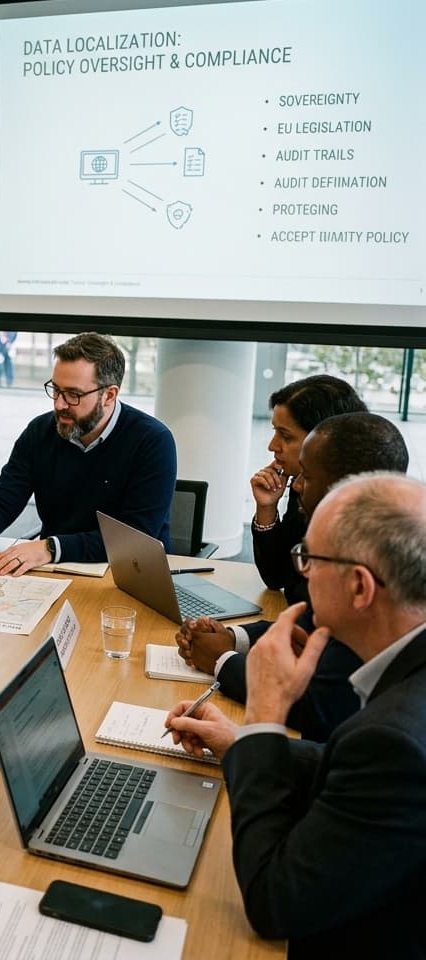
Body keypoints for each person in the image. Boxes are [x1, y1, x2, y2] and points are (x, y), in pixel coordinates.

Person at [165, 472, 426, 958]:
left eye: (309, 558)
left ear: (360, 586)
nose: (301, 573)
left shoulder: (395, 739)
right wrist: (246, 744)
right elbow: (359, 774)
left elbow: (273, 904)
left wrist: (265, 713)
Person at [177, 411, 409, 740]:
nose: (296, 485)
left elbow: (321, 708)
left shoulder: (371, 566)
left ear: (345, 487)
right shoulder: (369, 538)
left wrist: (222, 660)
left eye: (307, 477)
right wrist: (234, 639)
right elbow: (312, 622)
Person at [0, 332, 176, 577]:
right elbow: (3, 499)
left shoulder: (152, 442)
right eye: (55, 389)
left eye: (73, 395)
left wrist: (49, 547)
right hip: (55, 570)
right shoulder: (41, 431)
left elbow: (134, 538)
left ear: (109, 395)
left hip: (130, 575)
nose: (59, 404)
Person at [249, 374, 365, 603]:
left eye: (285, 435)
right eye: (274, 431)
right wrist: (266, 509)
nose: (272, 446)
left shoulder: (358, 510)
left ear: (323, 440)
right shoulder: (302, 482)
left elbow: (308, 599)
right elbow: (276, 577)